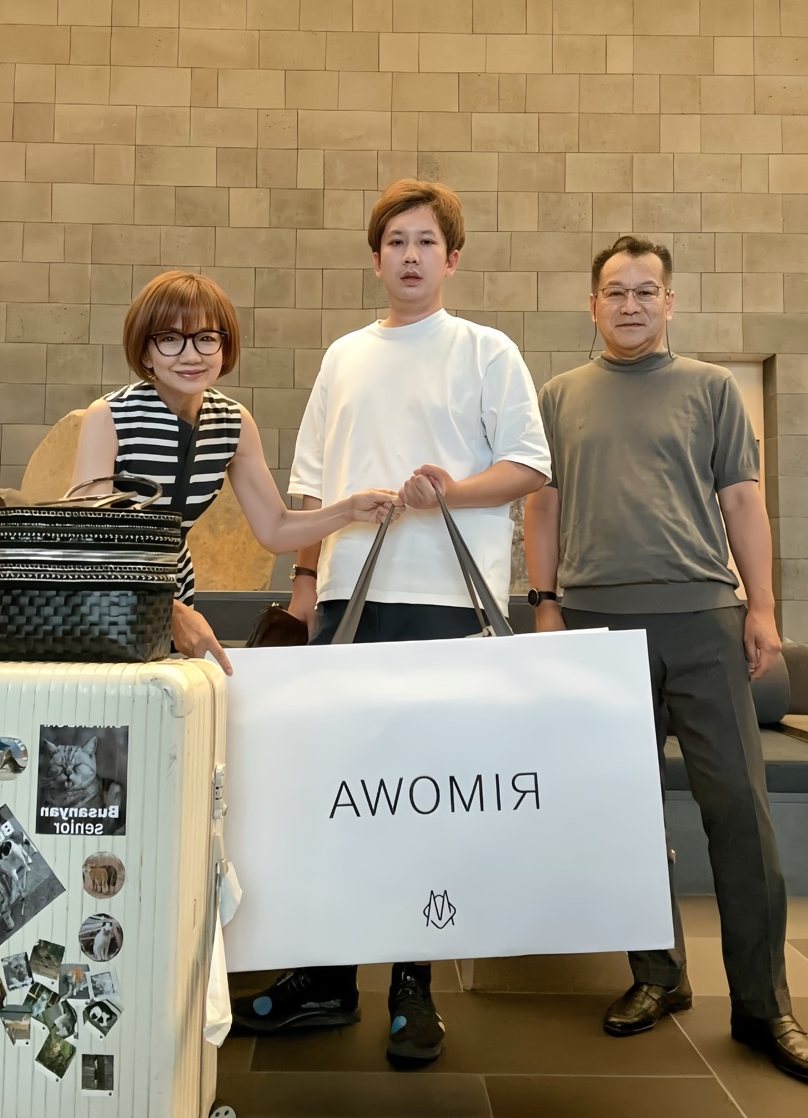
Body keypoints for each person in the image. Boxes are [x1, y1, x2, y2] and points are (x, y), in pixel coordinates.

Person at [232, 179, 551, 1063]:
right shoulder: (343, 356)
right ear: (375, 259)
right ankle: (328, 977)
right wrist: (305, 584)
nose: (410, 256)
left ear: (452, 258)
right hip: (348, 599)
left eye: (425, 242)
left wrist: (451, 489)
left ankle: (414, 982)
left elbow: (529, 466)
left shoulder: (486, 350)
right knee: (340, 790)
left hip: (449, 603)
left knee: (425, 793)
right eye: (395, 243)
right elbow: (310, 487)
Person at [523, 233, 808, 1087]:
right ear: (592, 304)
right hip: (596, 624)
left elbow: (744, 502)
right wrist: (544, 603)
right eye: (615, 291)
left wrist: (761, 607)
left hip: (702, 620)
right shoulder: (558, 396)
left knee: (739, 812)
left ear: (669, 301)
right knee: (623, 813)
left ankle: (764, 1006)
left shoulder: (711, 388)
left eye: (645, 290)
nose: (630, 304)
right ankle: (659, 975)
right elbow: (541, 508)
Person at [72, 270, 396, 675]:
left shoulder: (232, 422)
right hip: (102, 602)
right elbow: (84, 543)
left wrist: (349, 509)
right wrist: (166, 608)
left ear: (225, 347)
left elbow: (275, 529)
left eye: (206, 338)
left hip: (176, 600)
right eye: (170, 339)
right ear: (145, 351)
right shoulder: (109, 416)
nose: (191, 355)